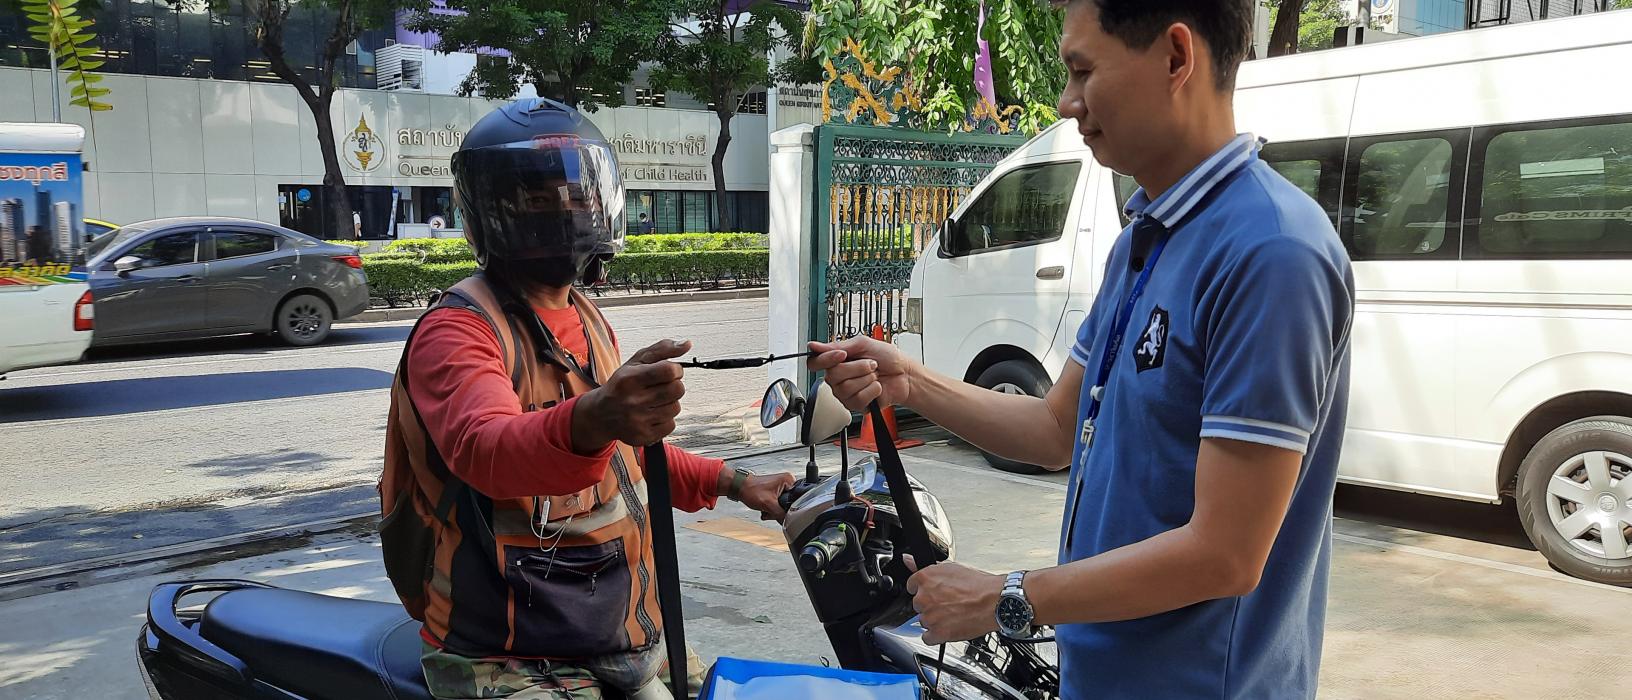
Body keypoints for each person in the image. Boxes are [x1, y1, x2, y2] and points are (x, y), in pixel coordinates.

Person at [808, 1, 1354, 697]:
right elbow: (1056, 428)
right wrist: (909, 382)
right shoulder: (1144, 241)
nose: (1067, 103)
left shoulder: (1270, 253)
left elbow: (1226, 555)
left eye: (1081, 70)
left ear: (1176, 58)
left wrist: (1009, 596)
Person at [381, 98, 796, 700]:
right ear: (493, 214)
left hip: (618, 634)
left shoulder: (588, 317)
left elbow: (631, 458)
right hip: (508, 656)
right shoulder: (459, 329)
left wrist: (735, 483)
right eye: (537, 198)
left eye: (578, 194)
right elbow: (486, 450)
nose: (566, 212)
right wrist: (595, 417)